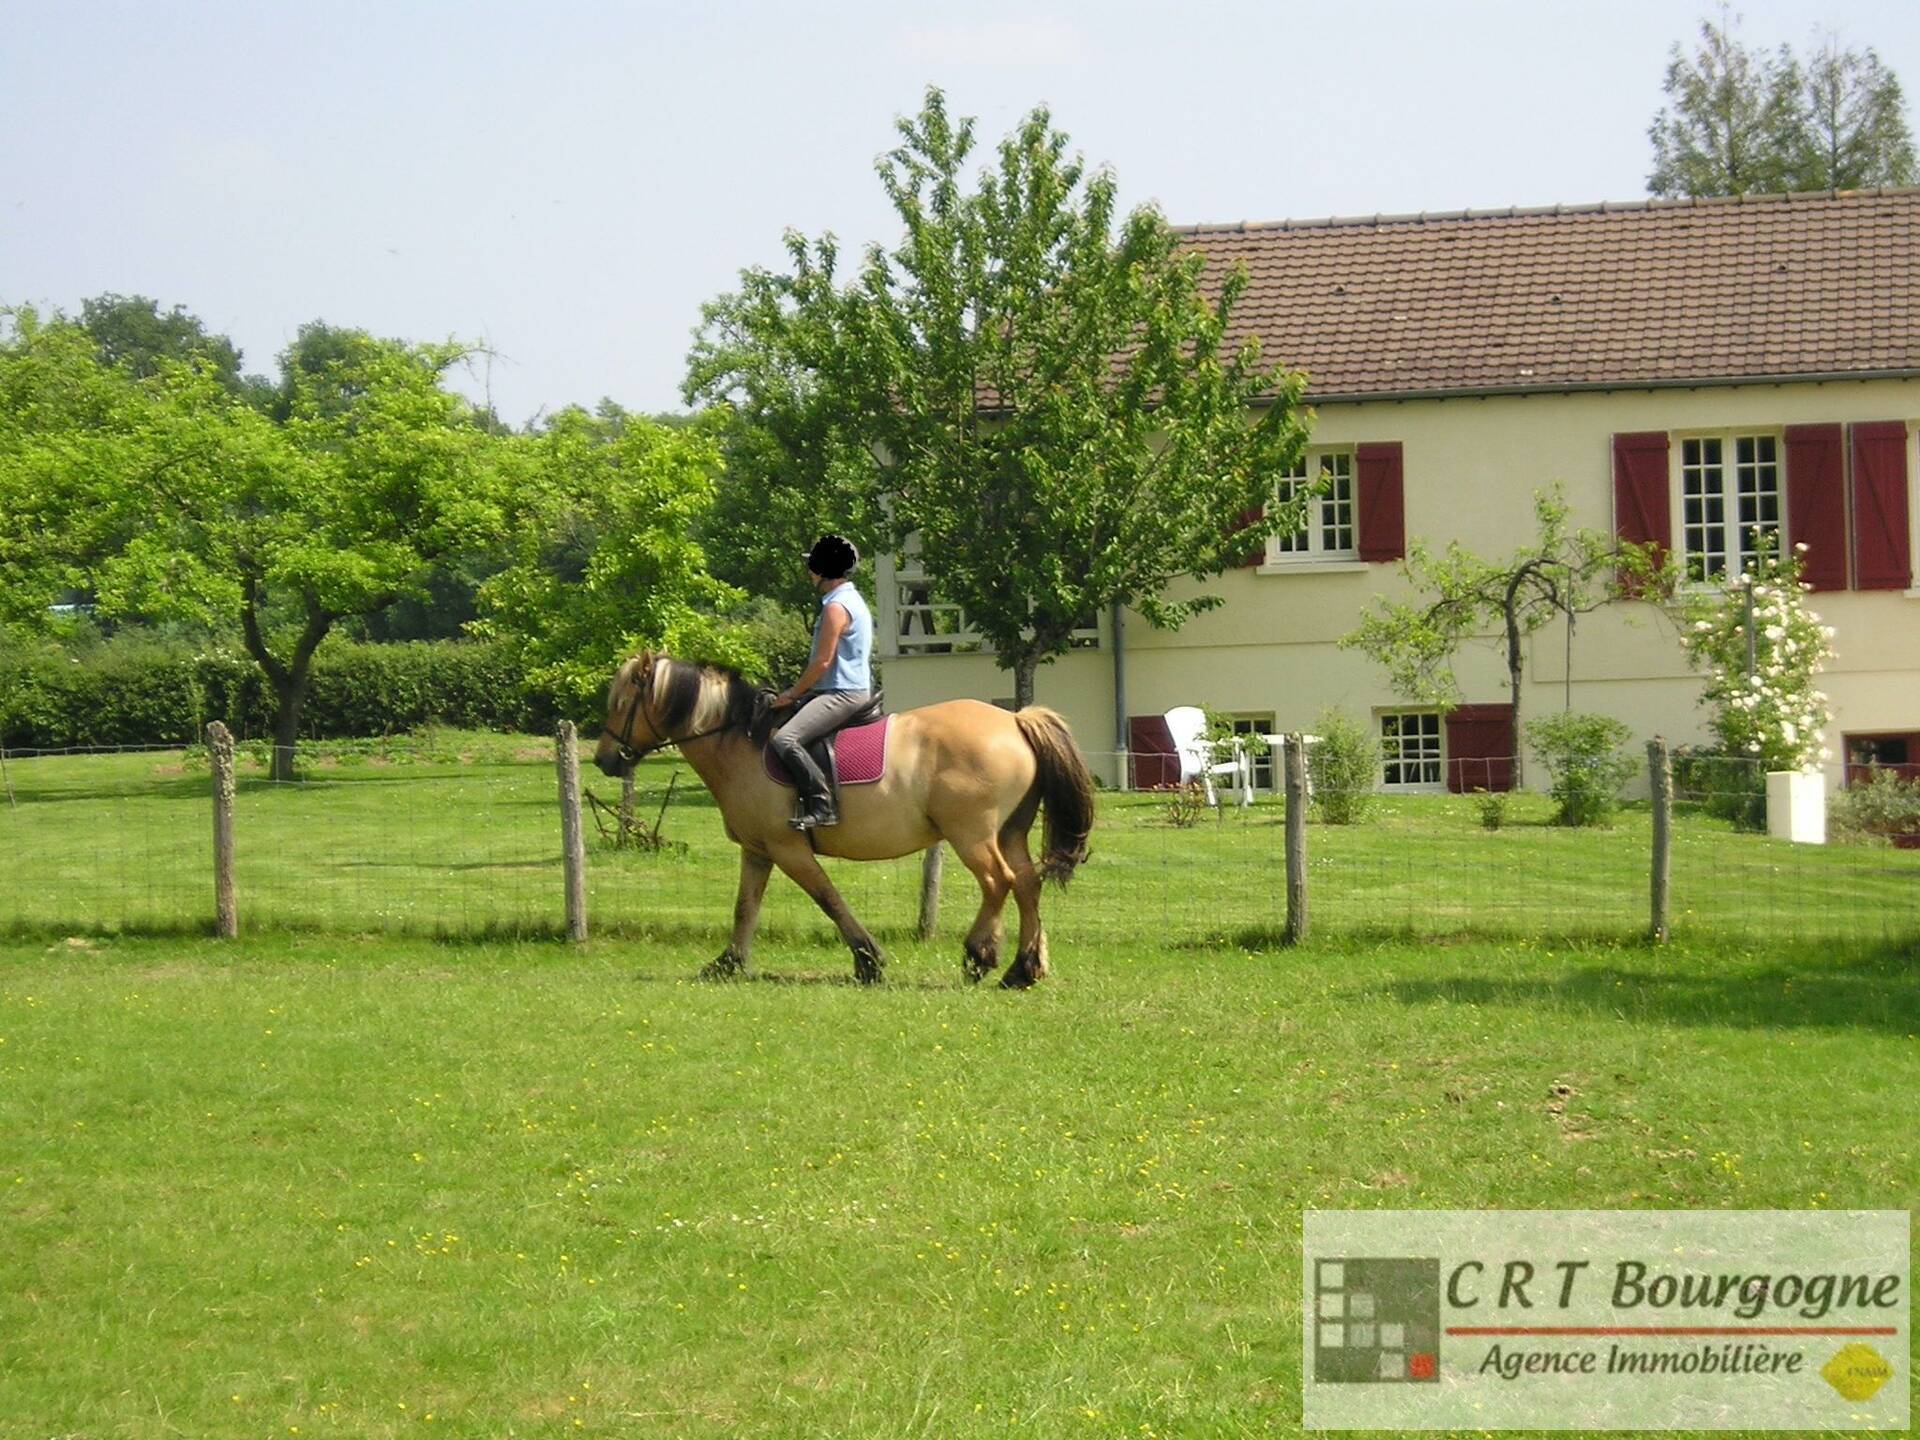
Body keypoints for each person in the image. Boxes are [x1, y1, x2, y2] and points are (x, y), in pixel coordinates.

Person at [769, 534, 873, 830]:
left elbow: (822, 663)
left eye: (813, 566)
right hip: (840, 689)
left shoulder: (836, 608)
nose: (810, 572)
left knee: (785, 739)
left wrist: (793, 693)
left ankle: (822, 805)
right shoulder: (849, 600)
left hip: (843, 693)